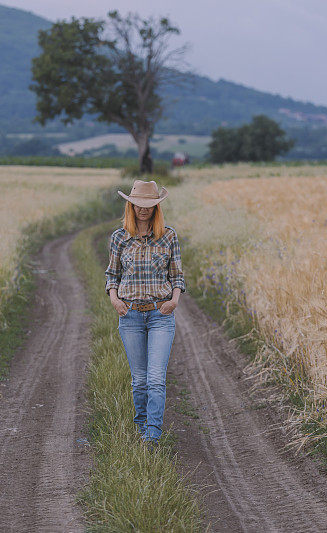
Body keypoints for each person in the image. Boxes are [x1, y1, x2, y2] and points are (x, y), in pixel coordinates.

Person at [104, 179, 186, 446]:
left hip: (161, 315)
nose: (143, 209)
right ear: (131, 205)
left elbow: (177, 276)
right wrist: (115, 299)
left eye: (149, 205)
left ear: (156, 208)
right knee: (139, 380)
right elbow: (111, 275)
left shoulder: (169, 236)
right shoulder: (119, 238)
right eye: (138, 204)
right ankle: (141, 427)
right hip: (130, 316)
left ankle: (152, 434)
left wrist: (174, 300)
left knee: (155, 379)